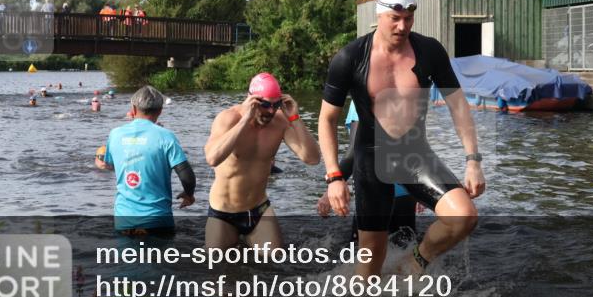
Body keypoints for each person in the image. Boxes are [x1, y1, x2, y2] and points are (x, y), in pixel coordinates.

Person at [319, 0, 485, 278]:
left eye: (408, 19)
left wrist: (473, 161)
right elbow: (326, 119)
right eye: (394, 19)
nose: (401, 26)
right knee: (369, 266)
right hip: (371, 160)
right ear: (379, 15)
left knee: (464, 217)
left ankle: (415, 261)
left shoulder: (429, 51)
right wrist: (334, 177)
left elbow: (458, 106)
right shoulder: (350, 58)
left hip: (414, 154)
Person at [203, 73, 320, 249]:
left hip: (259, 210)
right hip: (223, 212)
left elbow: (312, 158)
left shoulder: (280, 122)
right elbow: (212, 158)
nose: (271, 111)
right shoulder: (227, 119)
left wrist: (295, 118)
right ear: (251, 99)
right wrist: (245, 120)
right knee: (216, 265)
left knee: (275, 261)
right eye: (265, 105)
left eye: (276, 105)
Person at [94, 86, 195, 234]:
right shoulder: (166, 136)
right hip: (158, 219)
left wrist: (99, 163)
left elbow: (112, 165)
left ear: (133, 109)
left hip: (124, 219)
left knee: (126, 256)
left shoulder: (115, 134)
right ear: (160, 111)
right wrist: (189, 194)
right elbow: (186, 175)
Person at [317, 101, 417, 247]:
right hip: (405, 192)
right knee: (406, 255)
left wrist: (331, 187)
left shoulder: (361, 99)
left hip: (373, 191)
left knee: (362, 256)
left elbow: (355, 152)